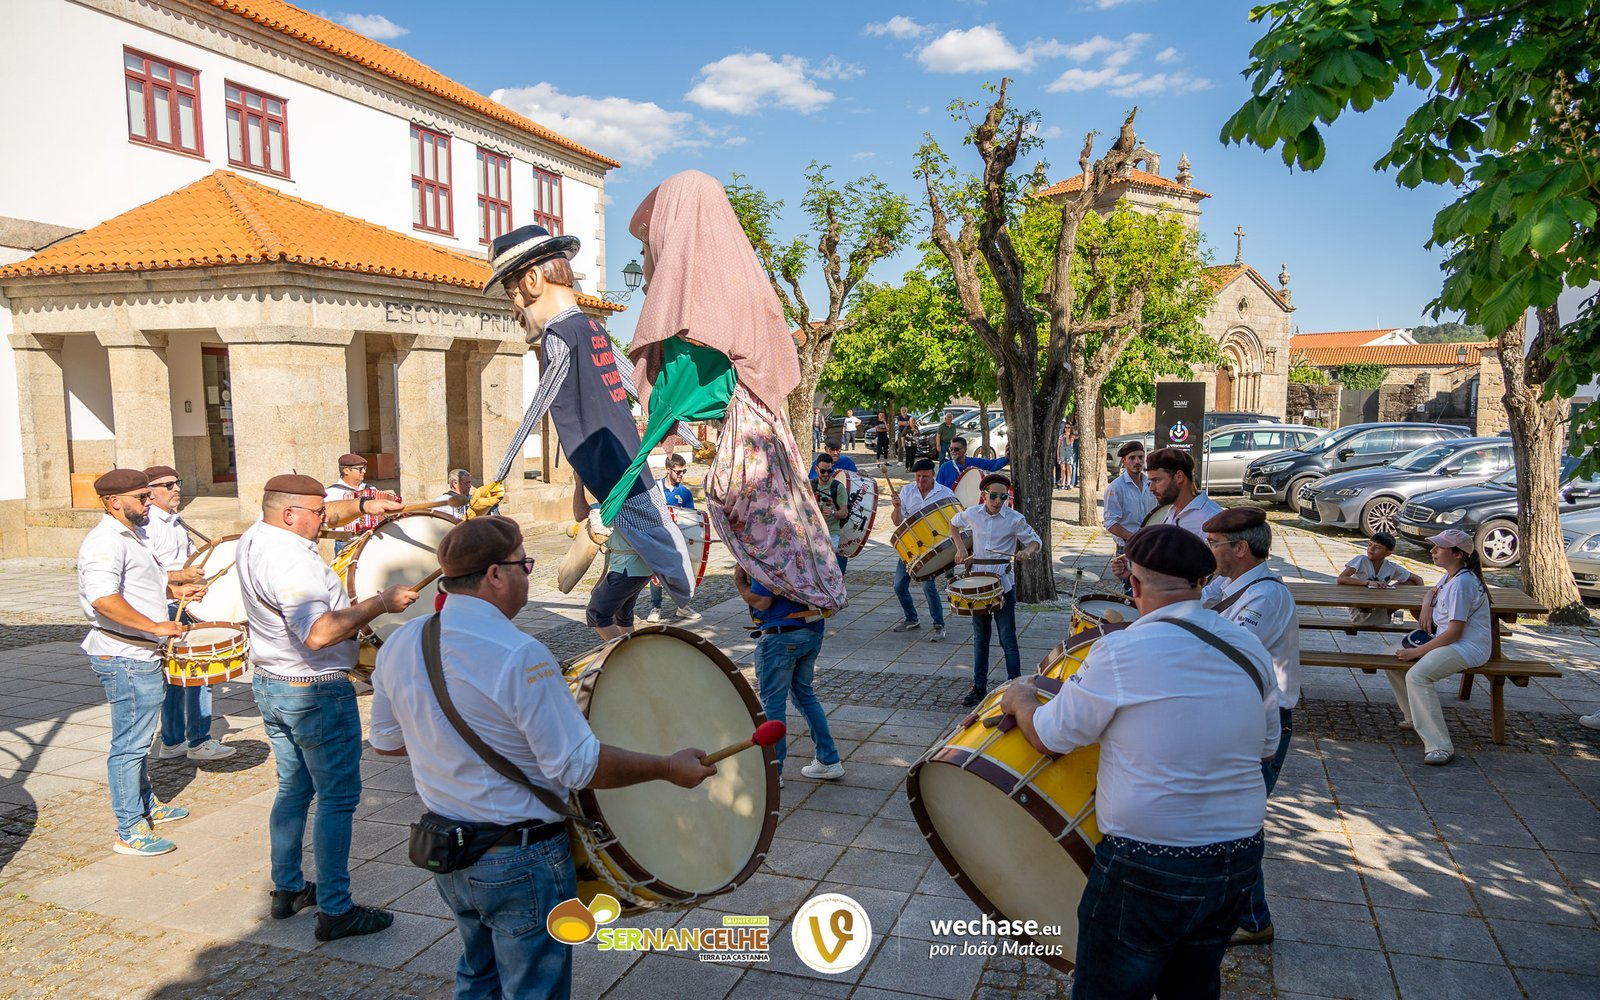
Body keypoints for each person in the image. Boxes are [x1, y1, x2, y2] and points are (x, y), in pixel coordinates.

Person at [369, 516, 715, 1000]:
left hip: (447, 848)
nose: (527, 575)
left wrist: (446, 742)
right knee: (534, 989)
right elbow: (578, 767)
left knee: (477, 975)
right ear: (494, 575)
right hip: (519, 857)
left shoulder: (404, 640)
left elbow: (385, 741)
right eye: (523, 565)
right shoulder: (520, 653)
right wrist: (667, 768)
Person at [998, 525, 1279, 1000]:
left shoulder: (1120, 650)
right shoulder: (1248, 646)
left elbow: (1050, 737)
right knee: (1192, 985)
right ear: (1202, 582)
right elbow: (1266, 746)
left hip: (1151, 858)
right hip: (1240, 853)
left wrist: (1022, 699)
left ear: (1134, 586)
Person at [234, 473, 416, 941]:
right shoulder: (291, 562)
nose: (324, 520)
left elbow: (330, 513)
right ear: (291, 514)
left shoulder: (257, 534)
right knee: (337, 799)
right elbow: (317, 633)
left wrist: (366, 507)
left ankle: (288, 888)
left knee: (293, 790)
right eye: (317, 513)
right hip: (313, 690)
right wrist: (381, 601)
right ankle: (336, 909)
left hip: (274, 683)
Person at [487, 223, 697, 607]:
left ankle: (678, 593)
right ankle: (677, 590)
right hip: (627, 458)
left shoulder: (558, 333)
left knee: (657, 547)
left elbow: (543, 396)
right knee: (659, 536)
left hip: (607, 466)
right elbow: (635, 382)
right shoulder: (590, 326)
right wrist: (692, 437)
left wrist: (499, 475)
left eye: (511, 294)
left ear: (532, 280)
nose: (513, 308)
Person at [77, 469, 204, 856]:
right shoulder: (103, 542)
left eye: (150, 496)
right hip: (125, 656)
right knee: (129, 746)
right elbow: (103, 599)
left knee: (137, 741)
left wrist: (179, 588)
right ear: (115, 502)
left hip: (138, 653)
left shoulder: (133, 535)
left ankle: (146, 805)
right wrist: (154, 625)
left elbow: (141, 582)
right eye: (142, 497)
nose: (150, 503)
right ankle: (129, 829)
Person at [1200, 507, 1299, 948]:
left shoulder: (1266, 597)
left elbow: (1229, 653)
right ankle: (1245, 913)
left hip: (1262, 722)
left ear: (1239, 548)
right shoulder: (1229, 584)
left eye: (1214, 544)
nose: (1209, 551)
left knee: (1237, 823)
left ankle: (1255, 919)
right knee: (1229, 820)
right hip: (1239, 715)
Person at [143, 465, 235, 763]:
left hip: (185, 601)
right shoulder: (149, 525)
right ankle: (198, 740)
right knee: (197, 672)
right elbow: (148, 573)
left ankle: (172, 741)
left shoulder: (174, 520)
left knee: (179, 676)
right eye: (167, 485)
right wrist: (183, 575)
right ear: (149, 492)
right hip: (172, 605)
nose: (176, 489)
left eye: (177, 482)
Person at [1388, 529, 1494, 766]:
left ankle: (1439, 746)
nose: (1433, 551)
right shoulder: (1451, 576)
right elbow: (1432, 591)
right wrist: (1426, 604)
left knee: (1418, 675)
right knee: (1391, 658)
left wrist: (1416, 652)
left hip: (1467, 647)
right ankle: (1413, 715)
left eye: (1440, 547)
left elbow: (1454, 633)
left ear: (1457, 554)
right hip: (1450, 641)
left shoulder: (1463, 583)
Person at [734, 564, 843, 787]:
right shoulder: (803, 548)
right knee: (805, 696)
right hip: (811, 630)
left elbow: (762, 601)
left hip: (781, 635)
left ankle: (774, 771)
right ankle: (829, 759)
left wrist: (740, 583)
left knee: (773, 703)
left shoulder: (768, 553)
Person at [950, 473, 1042, 708]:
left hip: (1003, 584)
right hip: (978, 581)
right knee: (981, 638)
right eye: (994, 496)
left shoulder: (1014, 519)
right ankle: (979, 687)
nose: (998, 501)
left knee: (1007, 638)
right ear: (984, 495)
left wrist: (1027, 551)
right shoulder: (972, 513)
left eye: (1003, 496)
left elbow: (1035, 541)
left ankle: (1017, 687)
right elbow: (953, 523)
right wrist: (960, 548)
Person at [889, 459, 953, 641]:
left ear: (933, 474)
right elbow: (897, 522)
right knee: (899, 585)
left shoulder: (945, 493)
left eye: (924, 476)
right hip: (910, 547)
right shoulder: (907, 491)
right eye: (917, 476)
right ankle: (911, 618)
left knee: (928, 586)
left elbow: (954, 521)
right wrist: (897, 508)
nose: (920, 480)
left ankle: (939, 624)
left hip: (933, 547)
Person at [645, 454, 701, 623]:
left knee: (683, 572)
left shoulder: (685, 492)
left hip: (678, 538)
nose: (681, 474)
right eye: (678, 471)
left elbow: (690, 518)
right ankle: (656, 607)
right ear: (668, 470)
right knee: (657, 574)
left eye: (684, 471)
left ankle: (683, 606)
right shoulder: (654, 489)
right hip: (658, 537)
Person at [1336, 531, 1422, 626]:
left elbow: (1417, 579)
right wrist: (1367, 583)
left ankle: (1424, 623)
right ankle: (1426, 626)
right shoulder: (1361, 560)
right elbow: (1341, 579)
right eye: (1370, 545)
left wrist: (1422, 601)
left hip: (1381, 606)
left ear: (1388, 553)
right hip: (1361, 613)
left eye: (1377, 547)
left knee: (1411, 584)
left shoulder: (1390, 567)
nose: (1371, 549)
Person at [325, 454, 398, 555]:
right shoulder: (331, 493)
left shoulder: (371, 489)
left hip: (371, 539)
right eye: (360, 469)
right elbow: (326, 520)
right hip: (346, 542)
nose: (364, 471)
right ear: (346, 470)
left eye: (364, 468)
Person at [812, 453, 850, 576]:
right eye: (822, 471)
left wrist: (833, 513)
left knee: (824, 562)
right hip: (814, 532)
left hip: (832, 533)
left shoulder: (837, 487)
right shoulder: (811, 486)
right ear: (816, 469)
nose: (826, 474)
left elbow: (844, 513)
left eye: (829, 471)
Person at [936, 436, 1009, 490]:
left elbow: (992, 465)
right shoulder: (945, 467)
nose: (952, 452)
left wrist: (1006, 458)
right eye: (951, 449)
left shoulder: (974, 463)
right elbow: (937, 488)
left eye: (956, 449)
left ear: (964, 450)